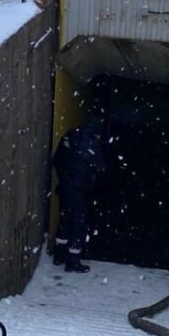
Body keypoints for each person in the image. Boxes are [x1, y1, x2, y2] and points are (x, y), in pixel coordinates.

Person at [52, 114, 106, 273]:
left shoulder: (69, 137)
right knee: (78, 225)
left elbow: (57, 160)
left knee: (64, 220)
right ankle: (72, 261)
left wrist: (65, 177)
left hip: (64, 189)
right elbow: (102, 170)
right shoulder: (91, 145)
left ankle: (59, 255)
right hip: (79, 192)